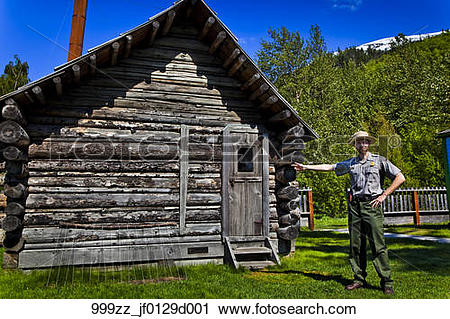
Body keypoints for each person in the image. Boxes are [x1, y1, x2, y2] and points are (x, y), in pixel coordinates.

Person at [292, 131, 405, 295]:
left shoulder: (379, 160)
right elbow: (330, 167)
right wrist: (306, 167)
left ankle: (386, 282)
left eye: (365, 142)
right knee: (355, 245)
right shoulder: (351, 163)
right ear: (355, 145)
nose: (362, 145)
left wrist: (384, 195)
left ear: (369, 144)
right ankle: (359, 279)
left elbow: (400, 177)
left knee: (377, 245)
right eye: (359, 142)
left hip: (372, 205)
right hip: (355, 207)